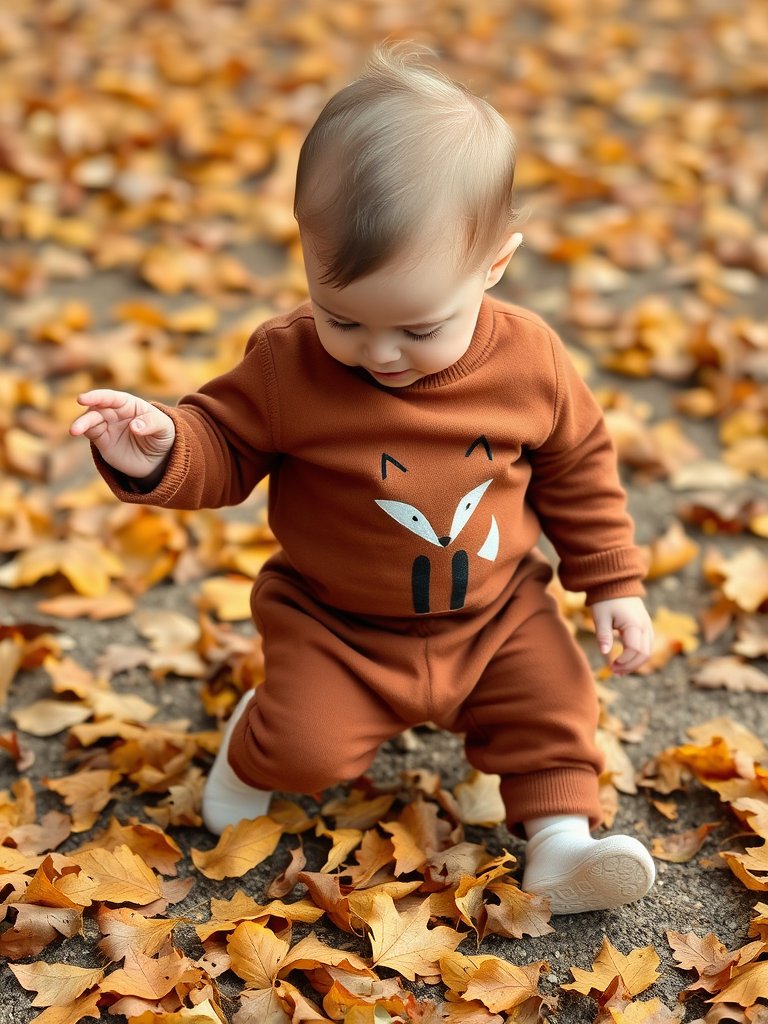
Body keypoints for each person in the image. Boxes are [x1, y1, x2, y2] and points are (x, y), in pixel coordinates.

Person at [70, 44, 656, 915]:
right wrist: (160, 451)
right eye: (342, 317)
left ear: (494, 264)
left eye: (418, 329)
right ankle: (251, 750)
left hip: (496, 613)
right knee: (306, 746)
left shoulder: (530, 361)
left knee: (554, 706)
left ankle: (562, 845)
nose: (379, 352)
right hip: (335, 623)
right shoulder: (289, 362)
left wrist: (611, 581)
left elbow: (577, 466)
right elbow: (225, 446)